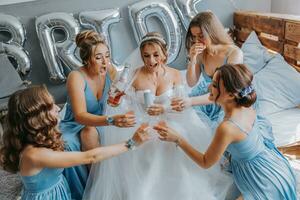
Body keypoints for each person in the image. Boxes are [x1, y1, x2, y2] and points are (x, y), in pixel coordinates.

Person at [83, 32, 233, 200]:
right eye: (146, 56)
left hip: (171, 123)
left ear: (165, 55)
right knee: (147, 145)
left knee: (171, 141)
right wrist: (117, 100)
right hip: (142, 124)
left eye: (156, 55)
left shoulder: (176, 75)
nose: (151, 60)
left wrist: (164, 109)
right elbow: (119, 104)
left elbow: (181, 107)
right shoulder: (132, 75)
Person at [155, 64, 297, 200]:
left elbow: (205, 162)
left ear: (230, 95)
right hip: (274, 166)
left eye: (215, 86)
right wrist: (190, 101)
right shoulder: (246, 106)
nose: (209, 87)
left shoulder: (227, 127)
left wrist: (177, 139)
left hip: (262, 180)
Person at [0, 85, 149, 200]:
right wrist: (130, 143)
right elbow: (90, 157)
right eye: (51, 106)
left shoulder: (35, 138)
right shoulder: (34, 154)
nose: (58, 108)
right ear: (38, 117)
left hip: (58, 191)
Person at [59, 30, 136, 199]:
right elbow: (80, 115)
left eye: (107, 56)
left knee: (94, 132)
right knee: (67, 144)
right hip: (76, 123)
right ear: (86, 59)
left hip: (103, 121)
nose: (105, 61)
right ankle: (86, 190)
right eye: (98, 57)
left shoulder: (109, 69)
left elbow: (125, 92)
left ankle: (102, 187)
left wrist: (122, 96)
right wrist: (111, 120)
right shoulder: (76, 77)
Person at [173, 11, 243, 124]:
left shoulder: (234, 53)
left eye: (201, 36)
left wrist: (190, 101)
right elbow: (191, 82)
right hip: (208, 97)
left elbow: (223, 92)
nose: (196, 41)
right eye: (194, 37)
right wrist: (192, 58)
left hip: (227, 99)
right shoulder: (201, 53)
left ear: (212, 33)